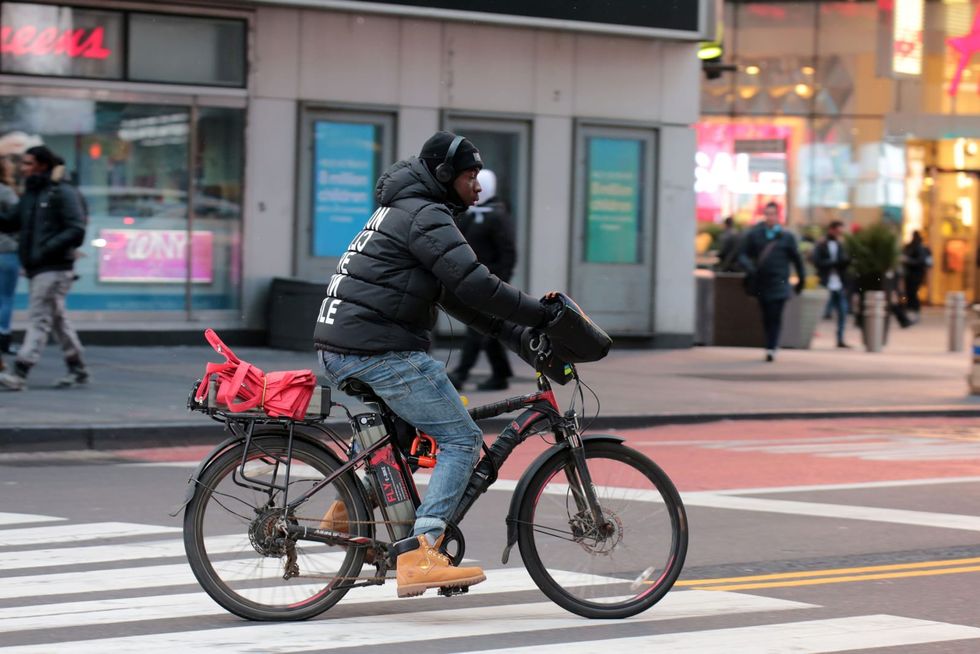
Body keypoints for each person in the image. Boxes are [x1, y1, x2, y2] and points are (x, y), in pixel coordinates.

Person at [314, 131, 556, 598]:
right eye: (470, 177)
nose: (478, 187)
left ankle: (346, 518)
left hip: (350, 342)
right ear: (445, 176)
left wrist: (521, 337)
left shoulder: (411, 209)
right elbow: (478, 284)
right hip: (374, 348)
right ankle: (423, 552)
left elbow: (462, 299)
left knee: (399, 441)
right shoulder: (425, 215)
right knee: (461, 439)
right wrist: (541, 313)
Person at [0, 146, 88, 391]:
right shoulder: (33, 193)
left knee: (39, 317)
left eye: (28, 163)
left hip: (54, 266)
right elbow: (10, 222)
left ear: (42, 164)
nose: (23, 168)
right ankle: (77, 366)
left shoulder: (62, 192)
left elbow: (76, 229)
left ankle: (20, 371)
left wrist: (45, 250)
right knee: (57, 319)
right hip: (39, 266)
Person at [448, 168, 517, 391]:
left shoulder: (496, 215)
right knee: (489, 329)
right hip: (473, 281)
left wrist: (499, 282)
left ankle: (461, 373)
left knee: (476, 329)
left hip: (489, 283)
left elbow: (508, 253)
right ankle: (501, 374)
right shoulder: (474, 214)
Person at [738, 202, 805, 362]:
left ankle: (771, 347)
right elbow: (742, 255)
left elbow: (797, 260)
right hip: (762, 282)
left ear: (778, 216)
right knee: (766, 315)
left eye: (773, 214)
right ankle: (769, 344)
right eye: (767, 213)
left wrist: (801, 280)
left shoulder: (787, 237)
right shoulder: (755, 235)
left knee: (775, 314)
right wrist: (750, 267)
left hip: (780, 282)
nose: (770, 217)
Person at [812, 220, 852, 348]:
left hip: (838, 283)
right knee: (820, 312)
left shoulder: (841, 245)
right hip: (825, 283)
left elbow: (844, 262)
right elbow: (817, 261)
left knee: (842, 311)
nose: (839, 234)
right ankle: (811, 334)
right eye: (838, 231)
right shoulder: (822, 244)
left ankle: (840, 339)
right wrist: (832, 263)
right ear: (831, 230)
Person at [0, 156, 20, 363]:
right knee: (5, 297)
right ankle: (3, 337)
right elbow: (18, 219)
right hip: (5, 250)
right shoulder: (5, 191)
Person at [902, 231, 932, 317]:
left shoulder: (919, 247)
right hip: (913, 273)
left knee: (912, 291)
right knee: (910, 291)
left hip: (915, 273)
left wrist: (908, 261)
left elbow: (921, 261)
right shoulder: (914, 246)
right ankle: (912, 308)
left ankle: (914, 308)